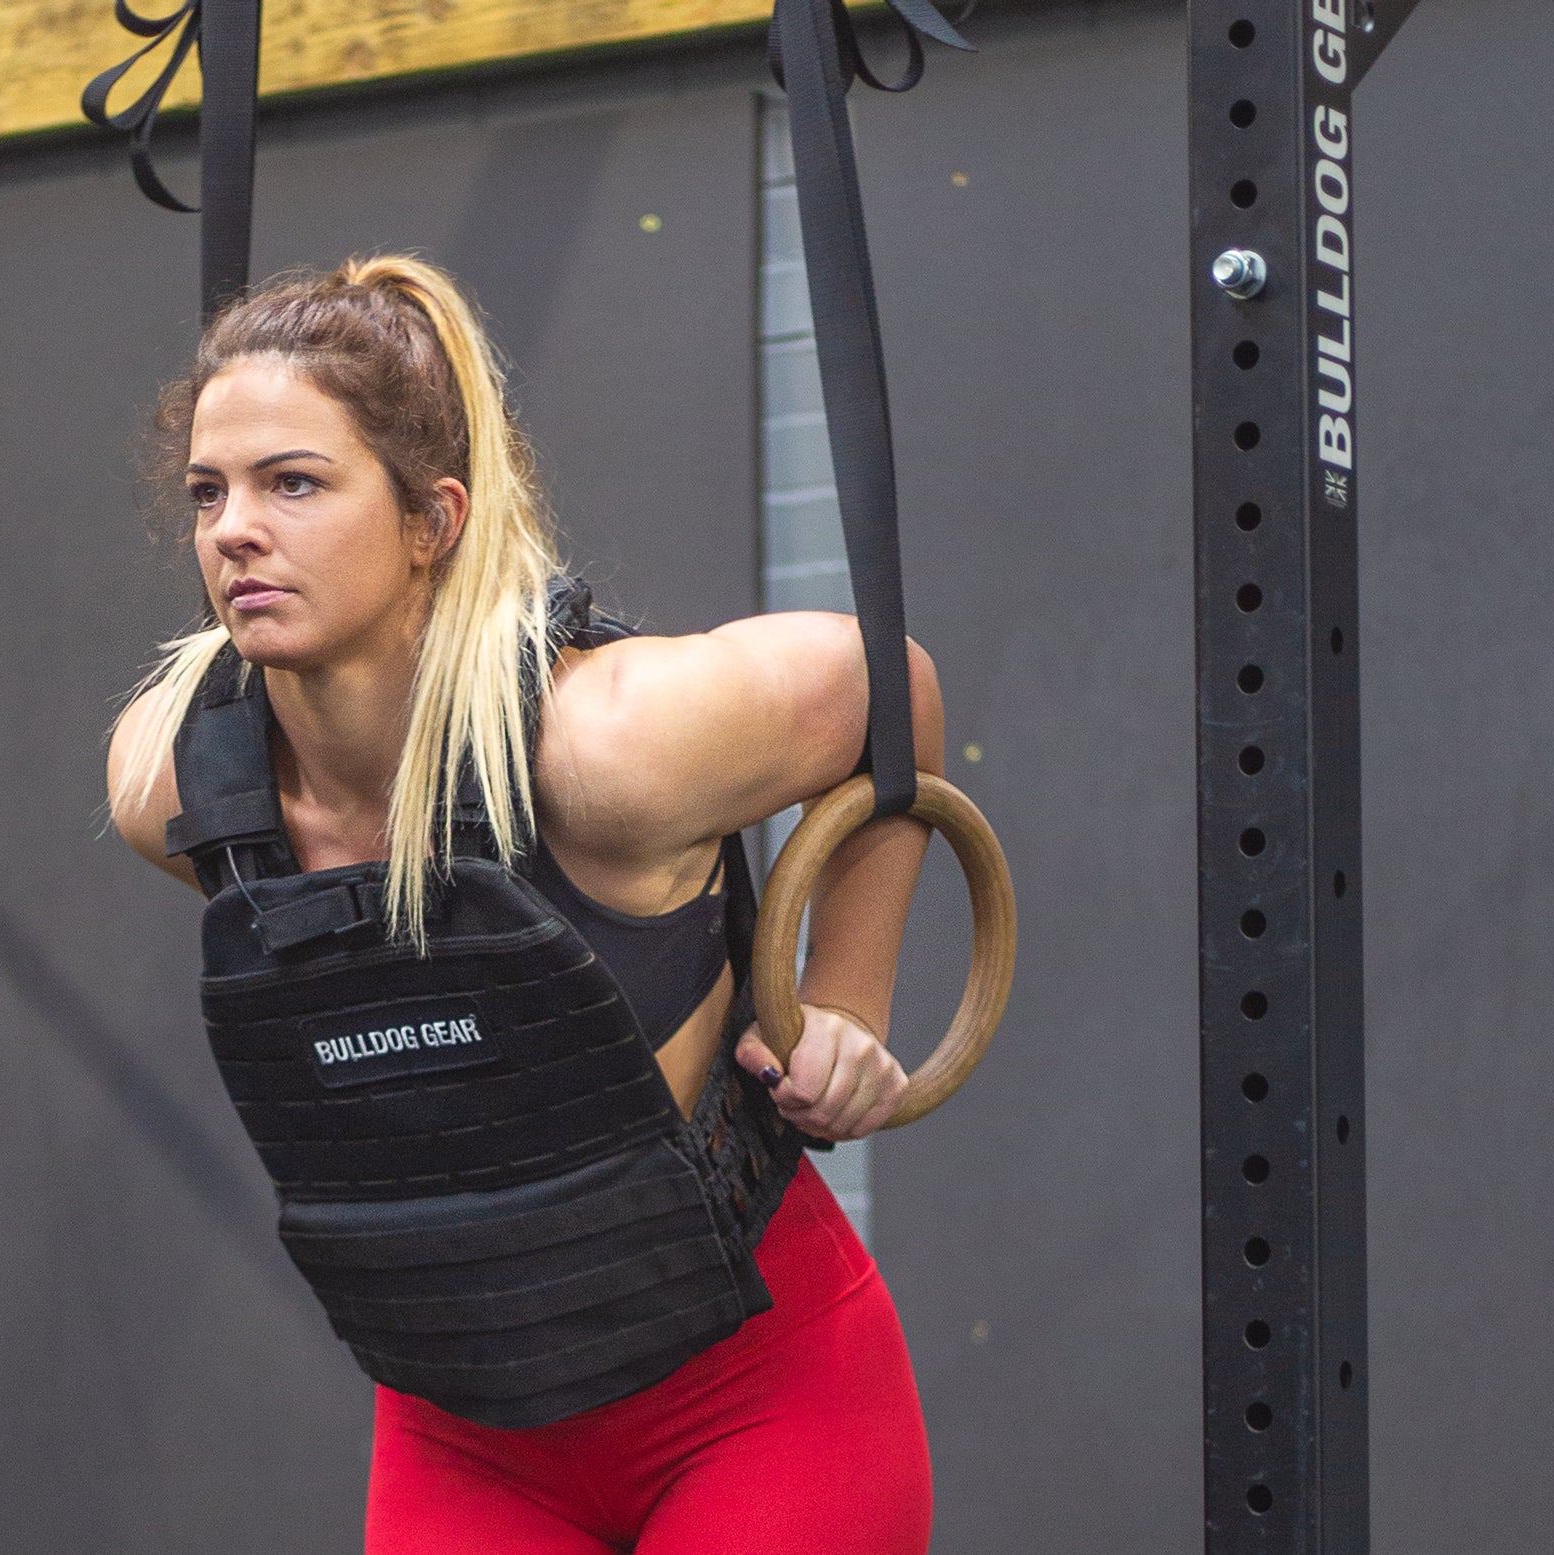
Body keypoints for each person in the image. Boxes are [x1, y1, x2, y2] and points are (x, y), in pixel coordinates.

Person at [106, 254, 947, 1555]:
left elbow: (889, 690)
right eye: (208, 491)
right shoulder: (178, 786)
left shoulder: (606, 751)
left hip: (750, 1395)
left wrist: (840, 1003)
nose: (232, 530)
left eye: (294, 483)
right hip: (460, 1427)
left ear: (430, 521)